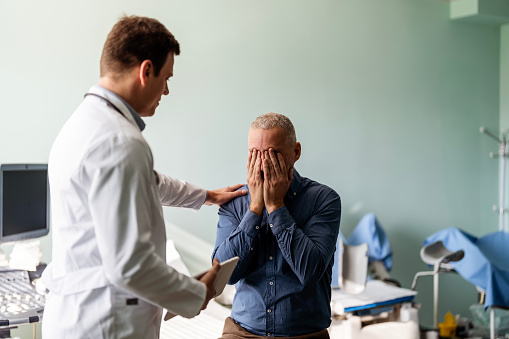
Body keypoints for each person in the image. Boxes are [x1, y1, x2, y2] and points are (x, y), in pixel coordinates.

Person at [41, 15, 246, 339]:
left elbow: (149, 182)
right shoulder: (120, 142)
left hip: (76, 315)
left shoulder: (83, 127)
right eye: (166, 78)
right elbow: (130, 265)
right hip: (106, 323)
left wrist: (207, 196)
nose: (166, 90)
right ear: (145, 71)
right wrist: (198, 293)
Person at [212, 113, 342, 338]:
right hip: (243, 332)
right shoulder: (234, 203)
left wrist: (275, 206)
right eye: (255, 154)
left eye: (273, 154)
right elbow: (223, 276)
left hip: (304, 334)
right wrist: (254, 209)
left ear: (296, 152)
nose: (263, 163)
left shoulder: (324, 200)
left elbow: (310, 272)